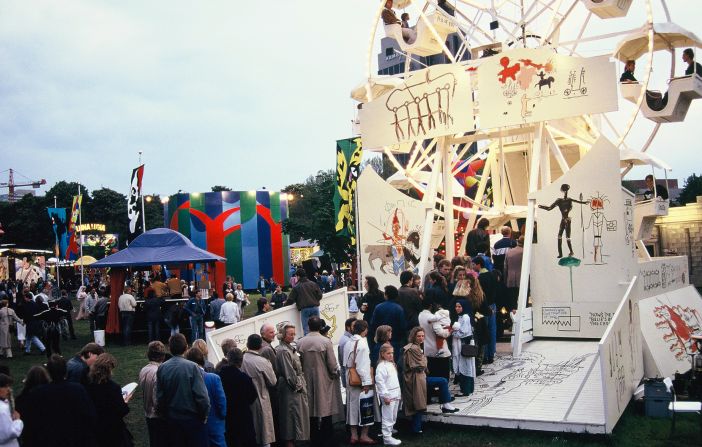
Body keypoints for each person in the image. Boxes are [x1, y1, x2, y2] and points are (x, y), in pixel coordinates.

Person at [19, 354, 97, 447]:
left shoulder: (37, 392)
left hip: (49, 438)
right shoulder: (78, 389)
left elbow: (31, 420)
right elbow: (89, 414)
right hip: (73, 437)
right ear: (65, 371)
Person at [157, 333, 210, 447]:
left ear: (169, 348)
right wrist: (204, 415)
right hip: (192, 420)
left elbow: (160, 397)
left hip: (172, 420)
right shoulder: (193, 367)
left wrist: (164, 415)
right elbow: (202, 397)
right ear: (186, 347)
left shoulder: (162, 368)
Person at [297, 316, 343, 447]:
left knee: (310, 409)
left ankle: (313, 437)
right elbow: (332, 363)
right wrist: (335, 373)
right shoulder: (325, 341)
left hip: (306, 378)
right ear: (320, 327)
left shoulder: (300, 342)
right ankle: (327, 436)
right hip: (323, 378)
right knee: (326, 408)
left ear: (308, 326)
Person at [402, 327, 458, 435]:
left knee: (440, 382)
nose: (421, 338)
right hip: (416, 379)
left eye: (423, 336)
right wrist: (425, 359)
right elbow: (420, 365)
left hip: (420, 377)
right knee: (418, 403)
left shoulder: (417, 347)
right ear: (414, 336)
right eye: (418, 336)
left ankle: (417, 428)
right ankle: (416, 429)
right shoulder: (413, 348)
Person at [275, 323, 310, 447]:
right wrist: (298, 386)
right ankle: (290, 442)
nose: (293, 336)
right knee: (291, 416)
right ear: (283, 335)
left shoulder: (288, 348)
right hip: (291, 389)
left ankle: (293, 441)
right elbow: (289, 373)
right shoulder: (283, 351)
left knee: (295, 415)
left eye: (294, 334)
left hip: (294, 386)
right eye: (290, 334)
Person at [85, 353, 131, 447]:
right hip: (112, 429)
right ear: (108, 370)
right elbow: (122, 410)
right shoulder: (113, 387)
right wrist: (125, 401)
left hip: (96, 428)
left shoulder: (88, 385)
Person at [342, 319, 376, 445]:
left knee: (352, 406)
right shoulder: (362, 343)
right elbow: (362, 365)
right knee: (365, 405)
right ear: (364, 329)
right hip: (359, 378)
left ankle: (353, 435)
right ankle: (364, 435)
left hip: (350, 376)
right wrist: (366, 382)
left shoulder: (348, 342)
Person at [185, 348, 227, 447]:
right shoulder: (213, 378)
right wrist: (222, 416)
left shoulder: (186, 379)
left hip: (194, 425)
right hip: (215, 424)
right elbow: (221, 402)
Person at [241, 334, 277, 447]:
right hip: (261, 400)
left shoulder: (240, 360)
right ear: (261, 346)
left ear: (247, 344)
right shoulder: (262, 362)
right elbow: (273, 381)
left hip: (243, 403)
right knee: (264, 438)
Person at [218, 348, 258, 447]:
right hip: (243, 419)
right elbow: (252, 397)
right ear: (241, 361)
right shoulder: (244, 378)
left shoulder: (220, 376)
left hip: (227, 419)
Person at [538, 183, 589, 258]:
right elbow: (579, 202)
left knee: (564, 237)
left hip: (565, 220)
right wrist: (584, 202)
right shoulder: (566, 200)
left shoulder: (560, 200)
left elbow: (549, 208)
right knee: (564, 237)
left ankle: (567, 252)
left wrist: (540, 206)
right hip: (566, 220)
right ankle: (565, 253)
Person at [139, 341, 168, 447]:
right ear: (163, 356)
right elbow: (157, 397)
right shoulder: (159, 372)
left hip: (148, 412)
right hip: (157, 415)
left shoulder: (144, 369)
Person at [370, 285, 406, 366]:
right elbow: (403, 326)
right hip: (395, 341)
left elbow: (373, 324)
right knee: (393, 364)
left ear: (386, 295)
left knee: (380, 364)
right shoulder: (399, 308)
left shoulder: (378, 307)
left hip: (380, 342)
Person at [418, 295, 451, 381]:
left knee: (432, 375)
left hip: (427, 349)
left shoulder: (420, 316)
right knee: (442, 376)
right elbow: (442, 333)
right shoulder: (433, 318)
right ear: (431, 306)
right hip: (439, 350)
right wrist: (450, 331)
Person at [375, 343, 402, 446]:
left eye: (392, 353)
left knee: (393, 416)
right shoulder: (381, 367)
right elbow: (380, 383)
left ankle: (389, 432)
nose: (391, 355)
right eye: (388, 353)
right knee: (388, 417)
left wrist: (399, 394)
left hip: (395, 394)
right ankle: (387, 437)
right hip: (388, 396)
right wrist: (385, 396)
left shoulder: (391, 364)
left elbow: (394, 381)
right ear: (382, 354)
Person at [472, 256, 497, 364]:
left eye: (473, 264)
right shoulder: (492, 275)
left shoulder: (480, 278)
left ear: (478, 264)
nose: (473, 267)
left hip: (484, 307)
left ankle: (485, 356)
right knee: (492, 330)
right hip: (493, 305)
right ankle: (491, 354)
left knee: (484, 331)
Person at [285, 268, 323, 335]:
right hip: (315, 307)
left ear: (298, 276)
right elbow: (320, 295)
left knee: (306, 329)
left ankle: (308, 343)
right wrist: (314, 300)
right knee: (317, 327)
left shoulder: (296, 287)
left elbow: (291, 300)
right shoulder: (313, 284)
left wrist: (284, 305)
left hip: (305, 309)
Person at [452, 299, 476, 396]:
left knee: (465, 366)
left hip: (463, 345)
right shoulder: (461, 316)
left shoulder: (465, 317)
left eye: (459, 306)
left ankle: (466, 390)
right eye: (456, 306)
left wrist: (453, 332)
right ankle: (466, 389)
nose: (457, 308)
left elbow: (463, 332)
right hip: (461, 344)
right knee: (464, 366)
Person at [466, 275, 489, 374]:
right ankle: (478, 368)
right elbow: (485, 310)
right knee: (480, 346)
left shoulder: (464, 295)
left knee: (471, 344)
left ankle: (470, 367)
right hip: (480, 322)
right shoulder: (481, 295)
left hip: (468, 322)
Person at [19, 291, 46, 356]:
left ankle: (43, 349)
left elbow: (26, 315)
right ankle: (27, 350)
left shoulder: (27, 305)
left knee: (33, 337)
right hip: (35, 322)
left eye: (25, 297)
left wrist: (24, 321)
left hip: (30, 322)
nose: (24, 299)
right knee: (28, 337)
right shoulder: (35, 304)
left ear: (27, 297)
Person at [0, 374, 22, 446]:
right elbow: (9, 433)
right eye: (6, 386)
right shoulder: (2, 409)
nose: (9, 389)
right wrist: (18, 421)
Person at [359, 276, 384, 340]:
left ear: (370, 285)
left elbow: (363, 310)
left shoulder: (367, 296)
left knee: (371, 343)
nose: (364, 286)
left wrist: (362, 309)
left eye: (365, 284)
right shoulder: (382, 294)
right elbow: (362, 309)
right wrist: (362, 308)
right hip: (380, 323)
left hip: (370, 323)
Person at [504, 236, 525, 310]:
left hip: (511, 279)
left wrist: (505, 280)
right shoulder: (525, 252)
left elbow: (505, 268)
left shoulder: (509, 252)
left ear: (517, 241)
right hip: (522, 280)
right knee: (522, 301)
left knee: (513, 302)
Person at [338, 317, 356, 387]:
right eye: (354, 326)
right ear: (348, 327)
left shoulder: (348, 338)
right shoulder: (347, 341)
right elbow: (347, 363)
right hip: (351, 377)